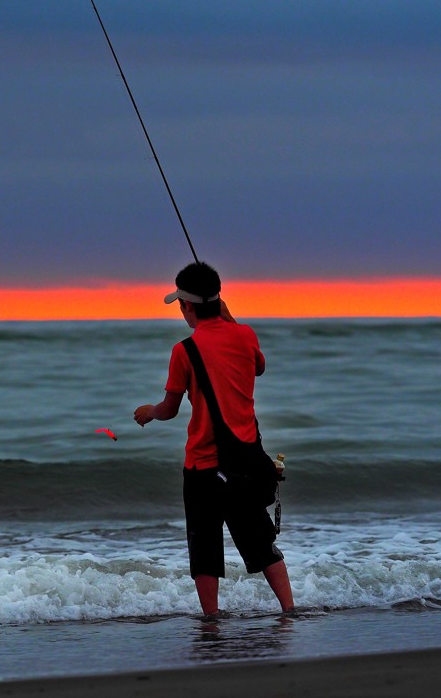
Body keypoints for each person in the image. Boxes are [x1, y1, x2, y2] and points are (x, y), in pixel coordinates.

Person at [134, 261, 294, 616]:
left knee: (205, 552)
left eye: (182, 306)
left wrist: (149, 411)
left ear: (187, 306)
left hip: (204, 466)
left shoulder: (184, 350)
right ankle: (289, 609)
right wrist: (232, 321)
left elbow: (171, 409)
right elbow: (259, 366)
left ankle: (212, 619)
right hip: (245, 463)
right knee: (261, 543)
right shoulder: (246, 335)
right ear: (219, 301)